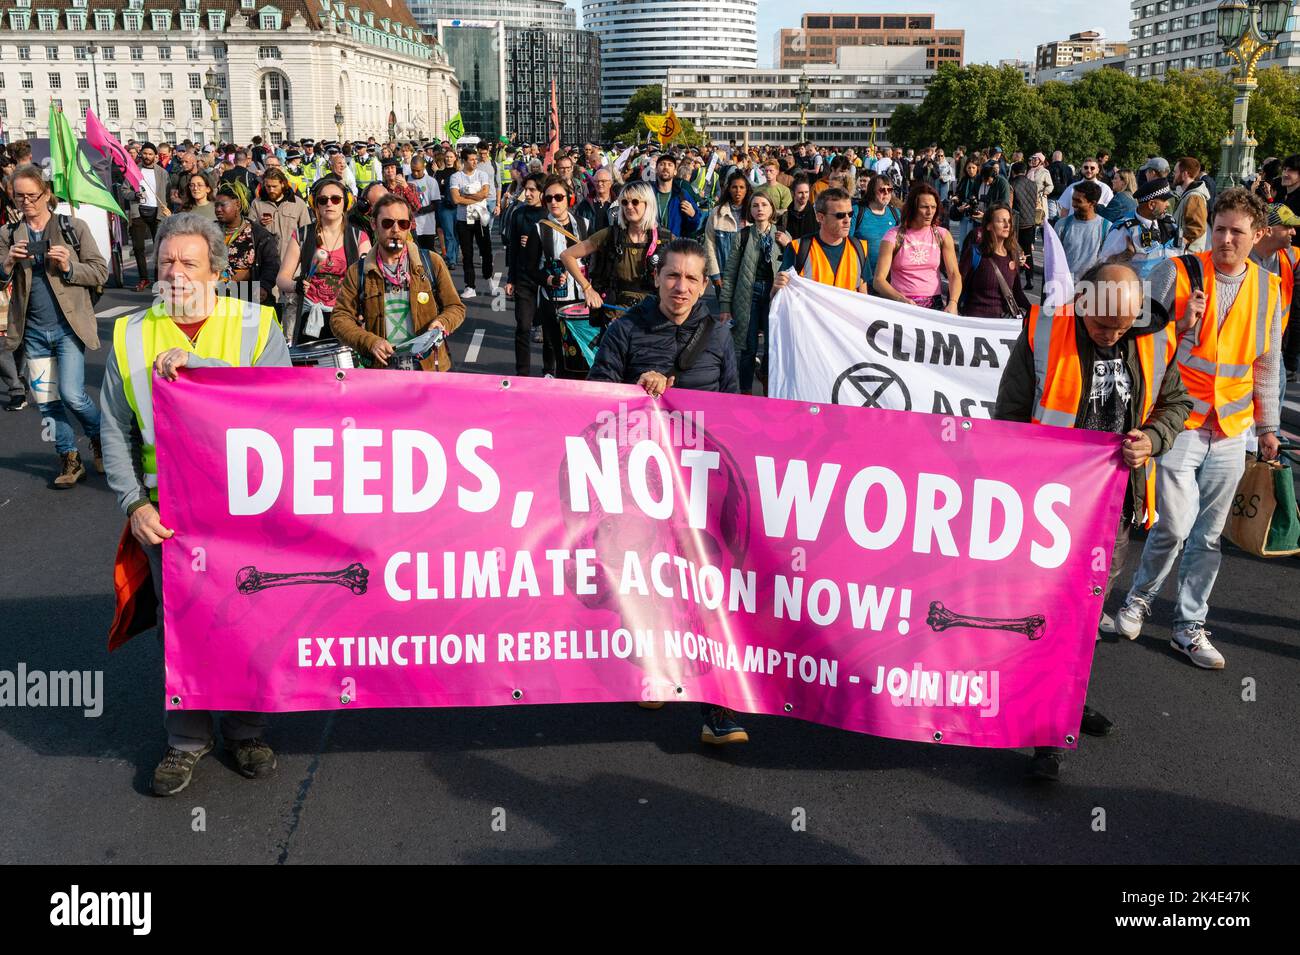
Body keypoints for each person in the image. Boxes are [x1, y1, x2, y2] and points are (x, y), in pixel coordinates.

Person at [99, 212, 291, 795]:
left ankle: (245, 731)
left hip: (244, 514)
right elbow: (113, 428)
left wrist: (201, 368)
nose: (175, 274)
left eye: (189, 263)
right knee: (181, 632)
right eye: (166, 264)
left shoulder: (258, 325)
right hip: (167, 518)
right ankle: (185, 742)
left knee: (244, 624)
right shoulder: (130, 335)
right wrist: (134, 504)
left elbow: (281, 409)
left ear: (217, 270)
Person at [996, 261, 1190, 780]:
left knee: (1085, 617)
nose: (1113, 336)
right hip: (1047, 509)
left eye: (1123, 328)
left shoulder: (1153, 339)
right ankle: (1045, 732)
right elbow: (1009, 415)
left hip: (1114, 508)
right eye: (1104, 326)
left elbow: (1175, 403)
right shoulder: (1044, 331)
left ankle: (1065, 702)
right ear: (1083, 303)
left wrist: (1152, 439)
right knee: (1049, 617)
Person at [1115, 189, 1284, 669]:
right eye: (1220, 227)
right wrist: (1174, 324)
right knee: (1173, 522)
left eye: (1237, 231)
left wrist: (1268, 426)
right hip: (1180, 420)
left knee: (1209, 536)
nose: (1226, 238)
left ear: (1257, 236)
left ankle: (1189, 626)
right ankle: (1137, 602)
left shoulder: (1270, 290)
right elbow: (1136, 331)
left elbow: (1267, 365)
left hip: (1232, 428)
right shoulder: (1179, 270)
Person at [0, 164, 109, 487]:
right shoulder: (8, 234)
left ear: (47, 194)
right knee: (47, 400)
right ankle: (69, 458)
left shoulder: (72, 227)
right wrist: (8, 263)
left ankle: (100, 437)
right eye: (19, 197)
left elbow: (99, 272)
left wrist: (68, 265)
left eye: (32, 196)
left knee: (72, 394)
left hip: (68, 327)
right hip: (32, 331)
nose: (26, 203)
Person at [329, 194, 466, 371]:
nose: (395, 229)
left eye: (403, 223)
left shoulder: (431, 262)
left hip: (429, 366)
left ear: (409, 226)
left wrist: (442, 323)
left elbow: (456, 307)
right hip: (382, 370)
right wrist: (370, 342)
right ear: (373, 224)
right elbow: (339, 318)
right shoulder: (358, 271)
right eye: (387, 223)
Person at [276, 176, 370, 345]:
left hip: (347, 315)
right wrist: (295, 285)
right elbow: (282, 278)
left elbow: (368, 280)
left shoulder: (359, 238)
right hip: (310, 314)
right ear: (315, 204)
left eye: (335, 199)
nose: (329, 204)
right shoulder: (302, 235)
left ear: (346, 203)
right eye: (322, 200)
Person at [563, 180, 674, 313]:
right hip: (616, 315)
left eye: (635, 201)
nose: (629, 206)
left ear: (648, 204)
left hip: (654, 313)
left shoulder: (665, 238)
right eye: (624, 202)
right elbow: (567, 255)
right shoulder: (610, 235)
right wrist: (587, 288)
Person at [524, 176, 591, 379]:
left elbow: (596, 260)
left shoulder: (585, 225)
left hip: (581, 297)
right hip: (552, 299)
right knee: (553, 345)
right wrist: (549, 280)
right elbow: (530, 267)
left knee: (580, 347)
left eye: (559, 197)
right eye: (549, 198)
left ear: (569, 199)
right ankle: (550, 377)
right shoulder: (539, 229)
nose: (554, 202)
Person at [721, 191, 783, 394]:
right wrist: (725, 305)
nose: (760, 209)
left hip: (775, 295)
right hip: (748, 295)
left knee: (772, 348)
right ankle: (746, 391)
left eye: (764, 205)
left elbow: (794, 269)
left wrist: (788, 245)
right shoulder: (744, 235)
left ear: (772, 209)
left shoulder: (781, 235)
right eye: (755, 205)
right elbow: (730, 272)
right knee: (748, 348)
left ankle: (767, 386)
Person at [873, 182, 961, 312]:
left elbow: (954, 274)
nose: (929, 212)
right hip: (901, 305)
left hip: (934, 305)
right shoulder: (893, 236)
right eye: (924, 207)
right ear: (913, 208)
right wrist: (900, 299)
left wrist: (953, 302)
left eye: (933, 207)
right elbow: (879, 281)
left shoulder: (943, 235)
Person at [772, 187, 870, 295]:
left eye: (850, 214)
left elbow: (863, 297)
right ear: (820, 218)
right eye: (840, 215)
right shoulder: (797, 249)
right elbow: (778, 296)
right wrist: (775, 288)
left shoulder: (860, 248)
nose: (847, 220)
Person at [1249, 203, 1300, 388]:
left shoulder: (1291, 257)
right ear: (1268, 230)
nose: (1293, 232)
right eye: (1288, 226)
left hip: (1273, 350)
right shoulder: (1239, 258)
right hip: (1244, 350)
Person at [504, 174, 548, 375]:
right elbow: (512, 247)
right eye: (526, 189)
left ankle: (550, 369)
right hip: (523, 277)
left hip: (547, 278)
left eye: (532, 190)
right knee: (523, 326)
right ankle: (522, 373)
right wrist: (510, 278)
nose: (527, 194)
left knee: (549, 327)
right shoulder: (518, 214)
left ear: (542, 192)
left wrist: (533, 243)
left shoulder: (550, 214)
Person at [1098, 178, 1180, 280]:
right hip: (1140, 291)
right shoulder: (1123, 230)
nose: (1168, 204)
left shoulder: (1168, 223)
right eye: (1164, 200)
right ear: (1151, 205)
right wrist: (1124, 255)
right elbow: (1103, 264)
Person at [958, 205, 1030, 319]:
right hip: (974, 324)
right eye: (1002, 221)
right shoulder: (975, 253)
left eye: (1009, 221)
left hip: (1001, 325)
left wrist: (1035, 314)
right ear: (989, 226)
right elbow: (957, 285)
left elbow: (1017, 293)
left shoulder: (1013, 255)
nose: (1007, 225)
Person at [214, 182, 279, 306]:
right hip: (215, 296)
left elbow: (272, 264)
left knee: (246, 326)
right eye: (216, 205)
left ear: (237, 204)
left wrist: (264, 286)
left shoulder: (259, 234)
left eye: (222, 205)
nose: (218, 209)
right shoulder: (208, 231)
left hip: (246, 296)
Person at [449, 146, 496, 298]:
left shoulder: (482, 174)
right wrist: (474, 196)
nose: (475, 162)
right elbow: (456, 199)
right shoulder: (456, 177)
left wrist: (466, 195)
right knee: (467, 254)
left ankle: (489, 278)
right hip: (463, 220)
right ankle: (470, 286)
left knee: (486, 251)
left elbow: (485, 194)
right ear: (463, 161)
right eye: (471, 159)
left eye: (476, 159)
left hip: (480, 218)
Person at [249, 167, 312, 279]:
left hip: (292, 265)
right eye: (268, 186)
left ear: (283, 184)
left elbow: (307, 233)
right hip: (265, 265)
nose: (271, 190)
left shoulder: (298, 204)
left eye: (274, 186)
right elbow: (248, 231)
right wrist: (259, 223)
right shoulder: (257, 203)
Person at [129, 143, 173, 291]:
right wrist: (134, 194)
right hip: (138, 211)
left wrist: (168, 210)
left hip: (157, 213)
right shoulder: (134, 171)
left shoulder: (162, 173)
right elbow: (124, 190)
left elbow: (168, 194)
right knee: (138, 247)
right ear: (141, 154)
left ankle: (158, 280)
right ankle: (143, 279)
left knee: (159, 248)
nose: (147, 156)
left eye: (150, 154)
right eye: (145, 153)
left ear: (155, 156)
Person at [851, 172, 901, 291]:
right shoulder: (857, 212)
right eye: (882, 190)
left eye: (889, 190)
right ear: (872, 191)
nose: (887, 193)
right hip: (862, 280)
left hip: (889, 282)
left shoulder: (896, 214)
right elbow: (846, 243)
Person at [1053, 180, 1112, 281]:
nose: (1073, 204)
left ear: (1092, 203)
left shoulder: (1106, 227)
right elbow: (1053, 258)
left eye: (1078, 201)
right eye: (1073, 199)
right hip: (1066, 285)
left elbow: (1108, 260)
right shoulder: (1062, 225)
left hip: (1091, 286)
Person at [704, 171, 750, 298]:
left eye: (742, 187)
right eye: (734, 187)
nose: (738, 191)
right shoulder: (717, 213)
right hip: (724, 276)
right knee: (725, 315)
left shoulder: (754, 213)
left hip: (748, 277)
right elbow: (709, 246)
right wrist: (715, 275)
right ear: (728, 189)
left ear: (747, 190)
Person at [651, 153, 700, 239]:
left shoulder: (682, 194)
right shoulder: (648, 193)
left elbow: (693, 227)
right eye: (662, 164)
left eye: (670, 165)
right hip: (650, 245)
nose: (666, 167)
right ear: (656, 170)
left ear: (675, 172)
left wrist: (693, 215)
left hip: (673, 246)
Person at [1009, 162, 1039, 290]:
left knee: (1013, 251)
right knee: (1028, 252)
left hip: (1017, 223)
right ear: (1025, 171)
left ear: (1013, 172)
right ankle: (1030, 278)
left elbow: (1009, 205)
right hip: (1030, 222)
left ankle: (1014, 280)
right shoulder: (1033, 184)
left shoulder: (1012, 185)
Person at [1171, 156, 1211, 254]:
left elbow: (1197, 227)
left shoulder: (1194, 196)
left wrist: (1180, 242)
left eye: (1176, 172)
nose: (1174, 175)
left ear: (1185, 174)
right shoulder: (1188, 194)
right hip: (1184, 252)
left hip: (1188, 254)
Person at [408, 154, 443, 254]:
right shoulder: (406, 180)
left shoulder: (431, 181)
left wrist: (421, 209)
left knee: (428, 252)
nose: (415, 173)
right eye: (413, 170)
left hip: (427, 225)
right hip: (412, 225)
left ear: (423, 167)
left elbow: (436, 204)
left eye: (418, 170)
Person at [576, 167, 615, 234]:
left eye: (603, 181)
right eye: (597, 181)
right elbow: (578, 226)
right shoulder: (585, 204)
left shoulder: (617, 204)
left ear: (610, 183)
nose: (599, 184)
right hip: (590, 243)